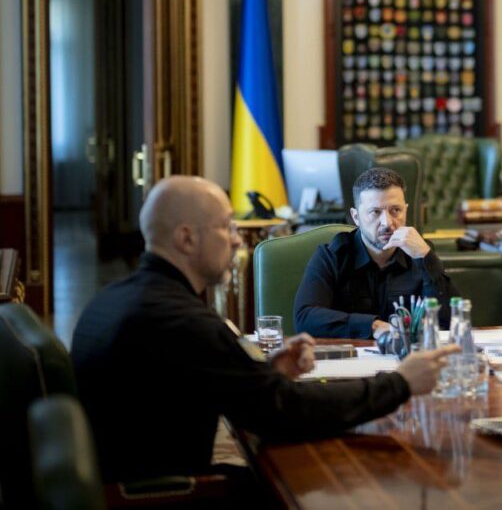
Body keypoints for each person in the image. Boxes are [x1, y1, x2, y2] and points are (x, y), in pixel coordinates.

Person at [71, 176, 457, 483]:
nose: (237, 239)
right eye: (226, 227)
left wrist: (265, 373)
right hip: (174, 496)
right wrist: (399, 384)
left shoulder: (113, 300)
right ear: (186, 238)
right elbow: (286, 412)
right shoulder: (182, 321)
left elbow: (206, 390)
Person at [294, 167, 456, 339]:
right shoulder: (332, 256)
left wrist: (427, 259)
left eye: (396, 210)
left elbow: (450, 321)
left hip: (407, 353)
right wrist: (374, 326)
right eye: (375, 212)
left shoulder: (420, 252)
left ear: (406, 210)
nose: (387, 223)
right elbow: (305, 319)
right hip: (351, 355)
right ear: (356, 217)